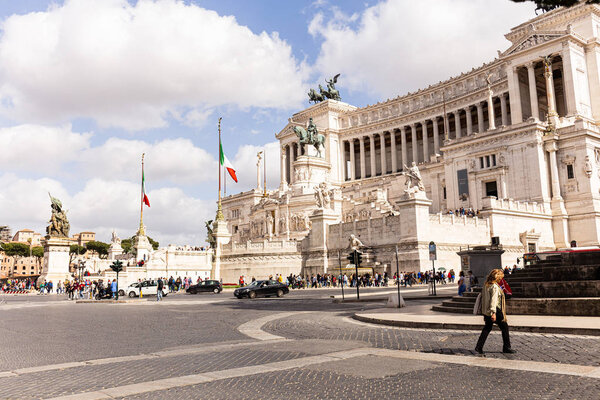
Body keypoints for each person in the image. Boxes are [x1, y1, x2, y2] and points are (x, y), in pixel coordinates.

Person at [475, 269, 516, 355]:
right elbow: (493, 300)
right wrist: (493, 313)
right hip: (495, 310)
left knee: (487, 328)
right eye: (501, 278)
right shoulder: (494, 287)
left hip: (487, 310)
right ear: (497, 277)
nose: (501, 279)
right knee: (504, 327)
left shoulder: (486, 285)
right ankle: (506, 347)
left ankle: (479, 346)